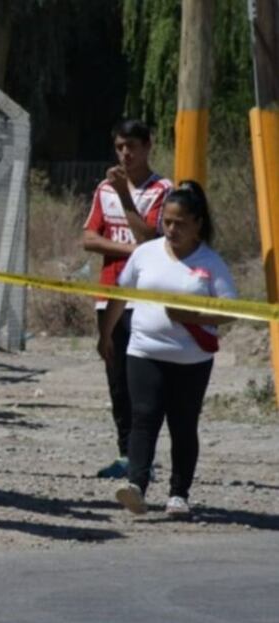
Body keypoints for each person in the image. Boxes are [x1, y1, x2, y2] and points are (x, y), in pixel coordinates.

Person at [99, 182, 235, 517]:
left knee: (183, 424)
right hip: (144, 350)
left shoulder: (211, 262)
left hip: (191, 359)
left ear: (197, 224)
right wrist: (106, 335)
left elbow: (231, 310)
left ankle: (179, 493)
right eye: (167, 222)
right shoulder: (146, 253)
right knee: (143, 417)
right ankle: (136, 486)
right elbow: (121, 293)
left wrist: (194, 315)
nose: (172, 229)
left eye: (180, 223)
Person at [83, 119, 172, 479]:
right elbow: (89, 238)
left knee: (144, 382)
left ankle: (144, 458)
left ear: (148, 145)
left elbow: (151, 238)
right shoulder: (104, 188)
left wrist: (125, 197)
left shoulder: (162, 189)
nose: (125, 154)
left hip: (145, 300)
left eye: (132, 146)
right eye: (120, 146)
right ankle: (125, 453)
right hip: (109, 296)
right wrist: (127, 249)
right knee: (117, 379)